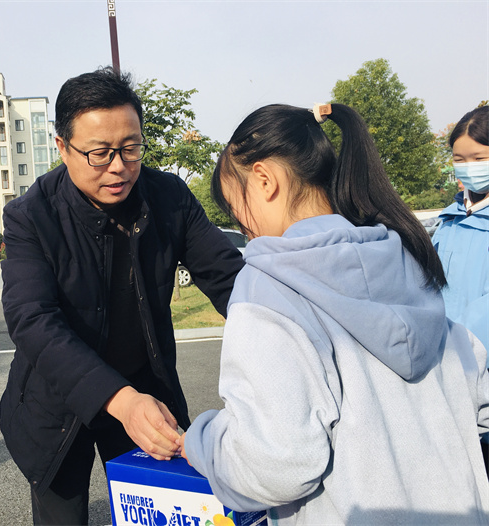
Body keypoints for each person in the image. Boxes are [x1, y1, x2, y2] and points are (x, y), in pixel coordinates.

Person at [179, 103, 489, 524]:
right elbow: (479, 396)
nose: (244, 227)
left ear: (264, 180)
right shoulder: (403, 255)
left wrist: (203, 441)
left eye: (237, 209)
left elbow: (276, 464)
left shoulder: (269, 285)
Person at [0, 67, 244, 525]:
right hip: (56, 402)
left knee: (160, 510)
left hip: (143, 393)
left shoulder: (168, 198)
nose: (118, 167)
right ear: (62, 147)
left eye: (131, 148)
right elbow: (32, 320)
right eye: (99, 153)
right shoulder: (30, 216)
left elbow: (230, 278)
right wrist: (119, 399)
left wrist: (282, 336)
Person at [432, 105, 489, 367]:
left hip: (475, 360)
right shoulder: (449, 220)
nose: (469, 168)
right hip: (444, 357)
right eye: (459, 159)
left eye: (479, 159)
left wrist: (461, 351)